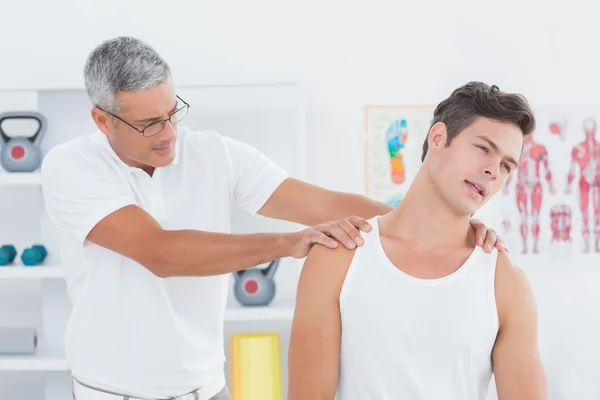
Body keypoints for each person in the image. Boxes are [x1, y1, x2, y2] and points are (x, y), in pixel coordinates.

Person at [40, 37, 505, 400]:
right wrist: (287, 244)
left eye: (172, 112)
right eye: (149, 124)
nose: (169, 134)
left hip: (208, 389)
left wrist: (448, 227)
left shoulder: (214, 154)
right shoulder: (72, 167)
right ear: (103, 122)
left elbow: (324, 204)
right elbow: (161, 253)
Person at [288, 82, 548, 400]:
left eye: (506, 165)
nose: (493, 170)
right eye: (483, 148)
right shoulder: (337, 258)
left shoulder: (504, 283)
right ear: (438, 138)